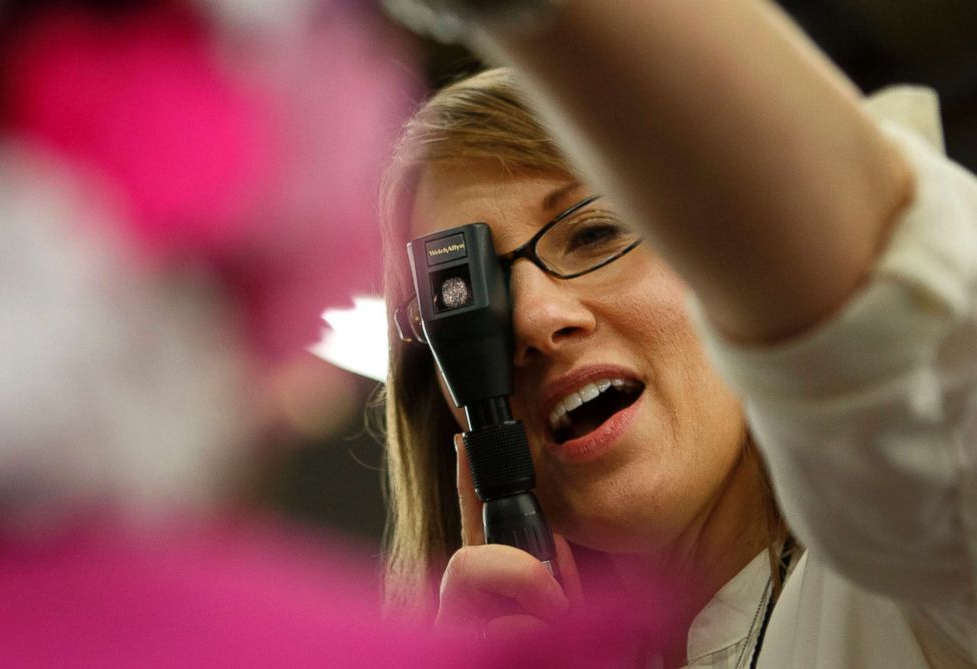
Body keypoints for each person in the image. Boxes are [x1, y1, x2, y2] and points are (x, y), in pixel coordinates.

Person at [378, 2, 977, 667]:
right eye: (465, 302)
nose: (534, 319)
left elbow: (893, 314)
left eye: (594, 232)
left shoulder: (911, 579)